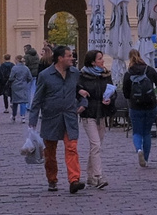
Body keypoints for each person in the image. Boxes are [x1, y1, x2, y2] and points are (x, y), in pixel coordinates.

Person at [28, 45, 84, 192]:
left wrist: (83, 102)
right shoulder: (45, 75)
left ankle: (74, 180)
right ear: (60, 58)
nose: (72, 58)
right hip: (51, 118)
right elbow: (37, 99)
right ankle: (52, 179)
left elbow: (79, 91)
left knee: (72, 148)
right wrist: (32, 121)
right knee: (50, 153)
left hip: (69, 117)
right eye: (69, 56)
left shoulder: (75, 73)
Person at [77, 49, 113, 188]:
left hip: (101, 113)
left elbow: (112, 90)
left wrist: (110, 98)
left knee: (96, 146)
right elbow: (75, 89)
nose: (103, 61)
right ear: (92, 62)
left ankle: (90, 176)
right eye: (99, 59)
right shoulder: (82, 75)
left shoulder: (105, 74)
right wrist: (80, 92)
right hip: (89, 114)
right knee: (96, 145)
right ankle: (99, 176)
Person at [121, 50, 157, 166]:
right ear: (140, 56)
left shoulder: (129, 73)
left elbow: (125, 93)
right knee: (147, 132)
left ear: (130, 58)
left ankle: (139, 150)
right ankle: (146, 159)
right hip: (150, 105)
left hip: (135, 106)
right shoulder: (149, 69)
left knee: (137, 132)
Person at [8, 53, 35, 128]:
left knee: (15, 102)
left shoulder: (14, 68)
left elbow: (11, 77)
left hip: (15, 86)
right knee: (23, 102)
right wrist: (25, 82)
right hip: (23, 86)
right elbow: (30, 77)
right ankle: (23, 116)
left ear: (17, 60)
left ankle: (14, 116)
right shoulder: (26, 68)